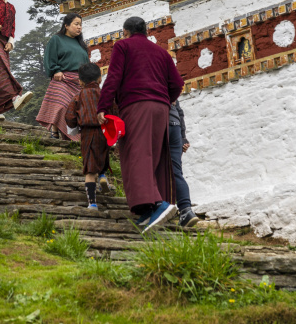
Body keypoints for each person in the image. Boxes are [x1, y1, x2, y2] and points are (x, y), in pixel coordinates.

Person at [97, 15, 184, 232]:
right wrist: (166, 98)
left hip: (136, 105)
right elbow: (177, 83)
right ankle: (147, 211)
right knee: (153, 155)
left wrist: (103, 106)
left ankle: (159, 204)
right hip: (161, 108)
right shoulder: (162, 53)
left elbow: (114, 77)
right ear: (145, 31)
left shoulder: (123, 46)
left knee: (136, 154)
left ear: (125, 32)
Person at [65, 62, 111, 209]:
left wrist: (75, 124)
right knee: (103, 154)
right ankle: (103, 176)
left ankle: (92, 203)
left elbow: (70, 118)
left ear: (80, 82)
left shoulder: (78, 96)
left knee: (90, 169)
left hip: (87, 133)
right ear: (100, 80)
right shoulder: (106, 95)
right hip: (104, 131)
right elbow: (115, 111)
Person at [36, 13, 89, 140]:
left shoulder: (81, 44)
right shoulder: (56, 39)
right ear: (66, 25)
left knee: (77, 109)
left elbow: (87, 63)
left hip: (79, 81)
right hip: (62, 78)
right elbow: (49, 57)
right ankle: (54, 129)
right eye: (76, 24)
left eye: (80, 25)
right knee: (61, 105)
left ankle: (70, 136)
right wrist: (56, 70)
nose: (79, 27)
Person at [170, 100, 198, 227]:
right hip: (175, 126)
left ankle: (158, 207)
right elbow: (180, 112)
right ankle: (186, 210)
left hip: (159, 124)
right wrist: (183, 137)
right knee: (176, 172)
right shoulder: (171, 84)